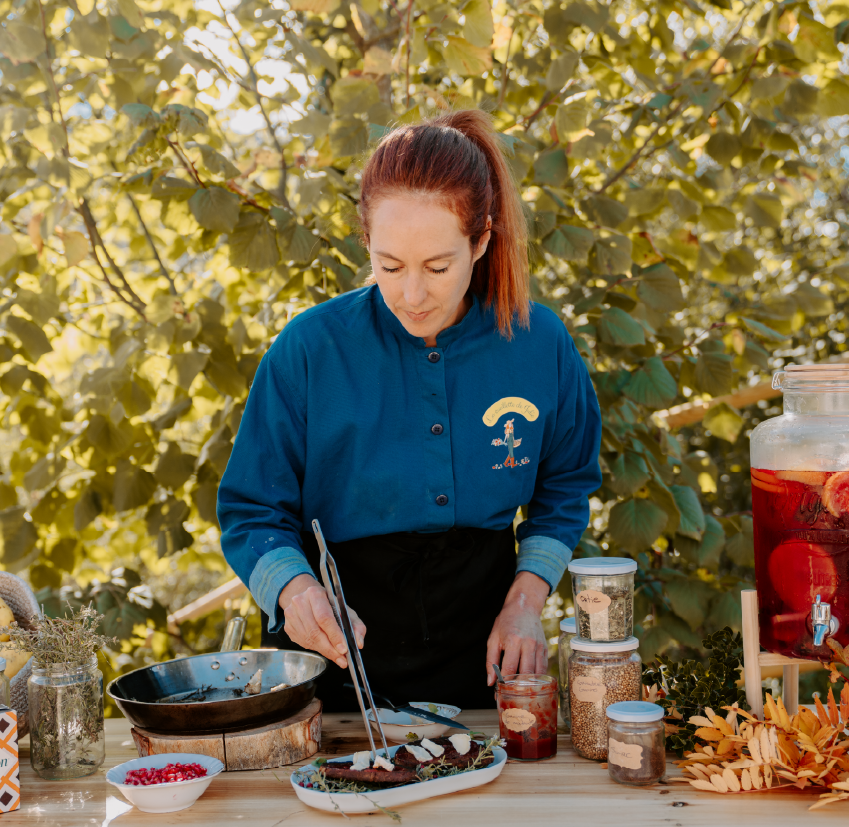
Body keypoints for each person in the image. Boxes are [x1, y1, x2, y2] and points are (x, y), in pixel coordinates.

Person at [217, 109, 602, 712]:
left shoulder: (539, 343)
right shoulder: (309, 349)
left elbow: (565, 487)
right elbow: (251, 508)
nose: (413, 295)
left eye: (438, 267)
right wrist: (294, 592)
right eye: (390, 266)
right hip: (334, 658)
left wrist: (525, 602)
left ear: (481, 241)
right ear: (366, 242)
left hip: (482, 652)